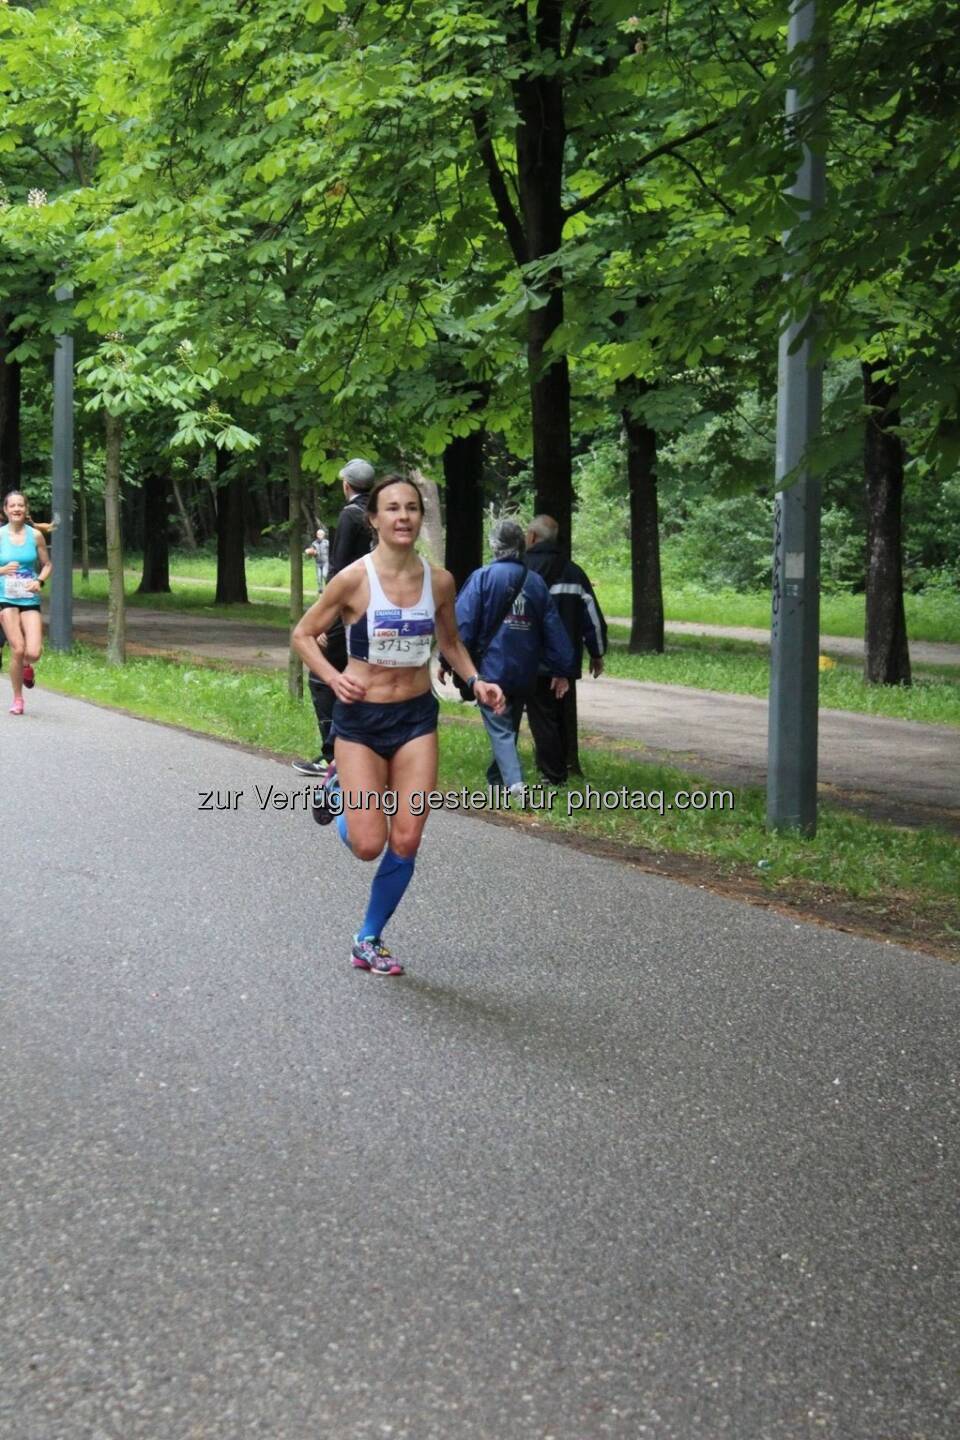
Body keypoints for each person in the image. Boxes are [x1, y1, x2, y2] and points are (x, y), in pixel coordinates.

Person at [291, 473, 504, 977]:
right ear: (374, 519)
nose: (403, 516)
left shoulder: (441, 580)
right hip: (360, 723)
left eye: (411, 507)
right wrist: (332, 676)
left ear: (419, 517)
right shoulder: (353, 580)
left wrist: (477, 682)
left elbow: (450, 643)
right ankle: (338, 789)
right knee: (368, 844)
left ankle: (368, 938)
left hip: (414, 719)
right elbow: (303, 634)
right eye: (392, 508)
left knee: (405, 840)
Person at [449, 519, 575, 801]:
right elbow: (552, 627)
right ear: (521, 545)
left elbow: (462, 626)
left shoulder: (482, 578)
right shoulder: (536, 582)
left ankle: (515, 786)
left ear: (494, 546)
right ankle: (495, 782)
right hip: (525, 671)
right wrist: (561, 668)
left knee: (501, 728)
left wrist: (449, 662)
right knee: (507, 725)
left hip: (492, 670)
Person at [291, 459, 376, 780]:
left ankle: (333, 755)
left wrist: (325, 620)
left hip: (348, 606)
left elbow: (338, 569)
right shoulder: (378, 515)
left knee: (322, 675)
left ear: (346, 485)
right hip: (377, 605)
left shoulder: (350, 515)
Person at [522, 514, 607, 784]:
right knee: (559, 714)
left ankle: (553, 773)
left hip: (530, 657)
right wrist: (597, 652)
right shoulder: (573, 571)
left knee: (541, 716)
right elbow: (592, 617)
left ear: (533, 537)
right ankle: (561, 766)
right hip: (565, 659)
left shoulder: (521, 570)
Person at [0, 490, 52, 715]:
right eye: (12, 505)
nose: (16, 509)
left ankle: (25, 666)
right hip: (6, 598)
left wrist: (39, 581)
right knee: (17, 648)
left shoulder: (36, 536)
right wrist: (1, 570)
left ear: (26, 509)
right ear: (5, 510)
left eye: (20, 505)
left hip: (29, 597)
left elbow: (47, 564)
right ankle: (18, 699)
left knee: (33, 652)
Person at [304, 526, 329, 592]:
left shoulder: (327, 543)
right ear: (317, 535)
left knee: (324, 575)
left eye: (322, 534)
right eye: (319, 534)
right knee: (318, 577)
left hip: (325, 562)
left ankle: (327, 588)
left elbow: (331, 551)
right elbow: (312, 552)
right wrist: (309, 552)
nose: (320, 536)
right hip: (318, 562)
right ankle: (320, 589)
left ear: (324, 535)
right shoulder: (314, 543)